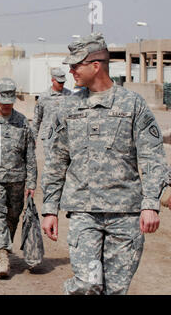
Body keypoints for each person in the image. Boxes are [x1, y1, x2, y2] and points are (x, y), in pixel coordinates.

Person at [41, 33, 168, 295]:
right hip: (84, 212)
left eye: (76, 65)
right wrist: (50, 208)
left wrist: (151, 204)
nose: (71, 71)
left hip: (126, 214)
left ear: (96, 65)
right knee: (88, 285)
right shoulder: (67, 108)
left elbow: (152, 157)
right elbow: (56, 161)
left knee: (115, 290)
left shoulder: (132, 105)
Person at [0, 78, 37, 277]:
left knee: (13, 217)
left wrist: (31, 182)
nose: (5, 105)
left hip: (17, 179)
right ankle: (2, 256)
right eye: (2, 101)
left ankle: (5, 246)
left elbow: (30, 154)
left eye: (9, 101)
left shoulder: (22, 122)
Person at [32, 68, 72, 157]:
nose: (62, 84)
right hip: (49, 137)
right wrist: (33, 138)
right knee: (50, 165)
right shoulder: (43, 97)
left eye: (63, 82)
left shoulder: (70, 95)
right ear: (53, 80)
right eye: (59, 82)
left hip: (66, 137)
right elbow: (36, 120)